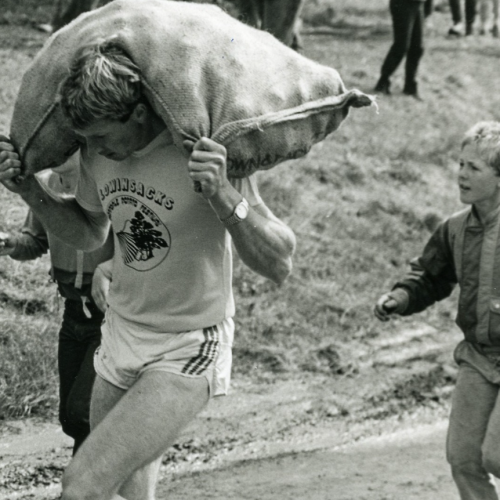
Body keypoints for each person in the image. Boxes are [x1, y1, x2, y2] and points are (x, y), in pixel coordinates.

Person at [0, 41, 296, 500]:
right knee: (130, 493)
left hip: (188, 343)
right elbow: (90, 234)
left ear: (137, 115)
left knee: (83, 486)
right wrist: (31, 193)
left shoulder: (202, 151)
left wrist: (222, 194)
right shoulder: (98, 154)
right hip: (121, 333)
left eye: (101, 136)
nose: (92, 148)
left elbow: (279, 262)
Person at [374, 121, 500, 500]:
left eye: (474, 168)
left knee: (496, 455)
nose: (461, 174)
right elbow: (430, 276)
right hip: (478, 358)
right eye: (460, 164)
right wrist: (401, 297)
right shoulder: (454, 229)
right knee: (462, 458)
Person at [0, 156, 113, 455]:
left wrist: (110, 267)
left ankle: (92, 484)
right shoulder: (46, 185)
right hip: (72, 314)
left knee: (83, 411)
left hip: (111, 317)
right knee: (69, 417)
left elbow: (138, 246)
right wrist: (10, 243)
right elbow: (33, 241)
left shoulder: (108, 181)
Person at [374, 0, 433, 99]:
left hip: (418, 4)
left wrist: (429, 7)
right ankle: (383, 81)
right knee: (402, 45)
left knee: (418, 47)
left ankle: (410, 86)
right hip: (402, 4)